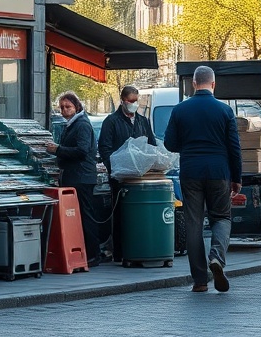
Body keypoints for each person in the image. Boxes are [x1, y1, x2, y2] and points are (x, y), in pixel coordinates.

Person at [163, 66, 242, 293]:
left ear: (194, 84)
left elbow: (170, 144)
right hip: (219, 171)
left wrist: (188, 145)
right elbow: (234, 148)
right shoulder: (224, 111)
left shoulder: (180, 110)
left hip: (190, 172)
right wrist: (236, 177)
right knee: (222, 217)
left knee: (193, 223)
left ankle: (199, 280)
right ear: (214, 84)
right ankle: (216, 256)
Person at [97, 85, 156, 263]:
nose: (133, 104)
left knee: (139, 214)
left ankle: (140, 246)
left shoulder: (143, 121)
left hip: (140, 178)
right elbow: (104, 148)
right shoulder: (111, 121)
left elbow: (151, 145)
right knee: (121, 214)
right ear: (122, 100)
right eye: (130, 101)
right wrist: (115, 168)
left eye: (136, 101)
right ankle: (120, 252)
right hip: (120, 177)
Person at [45, 91, 101, 267]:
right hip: (76, 176)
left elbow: (82, 150)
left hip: (82, 177)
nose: (64, 111)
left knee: (86, 216)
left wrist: (58, 150)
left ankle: (93, 254)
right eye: (61, 107)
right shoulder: (71, 124)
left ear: (76, 107)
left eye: (67, 107)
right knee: (80, 216)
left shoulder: (82, 124)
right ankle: (87, 252)